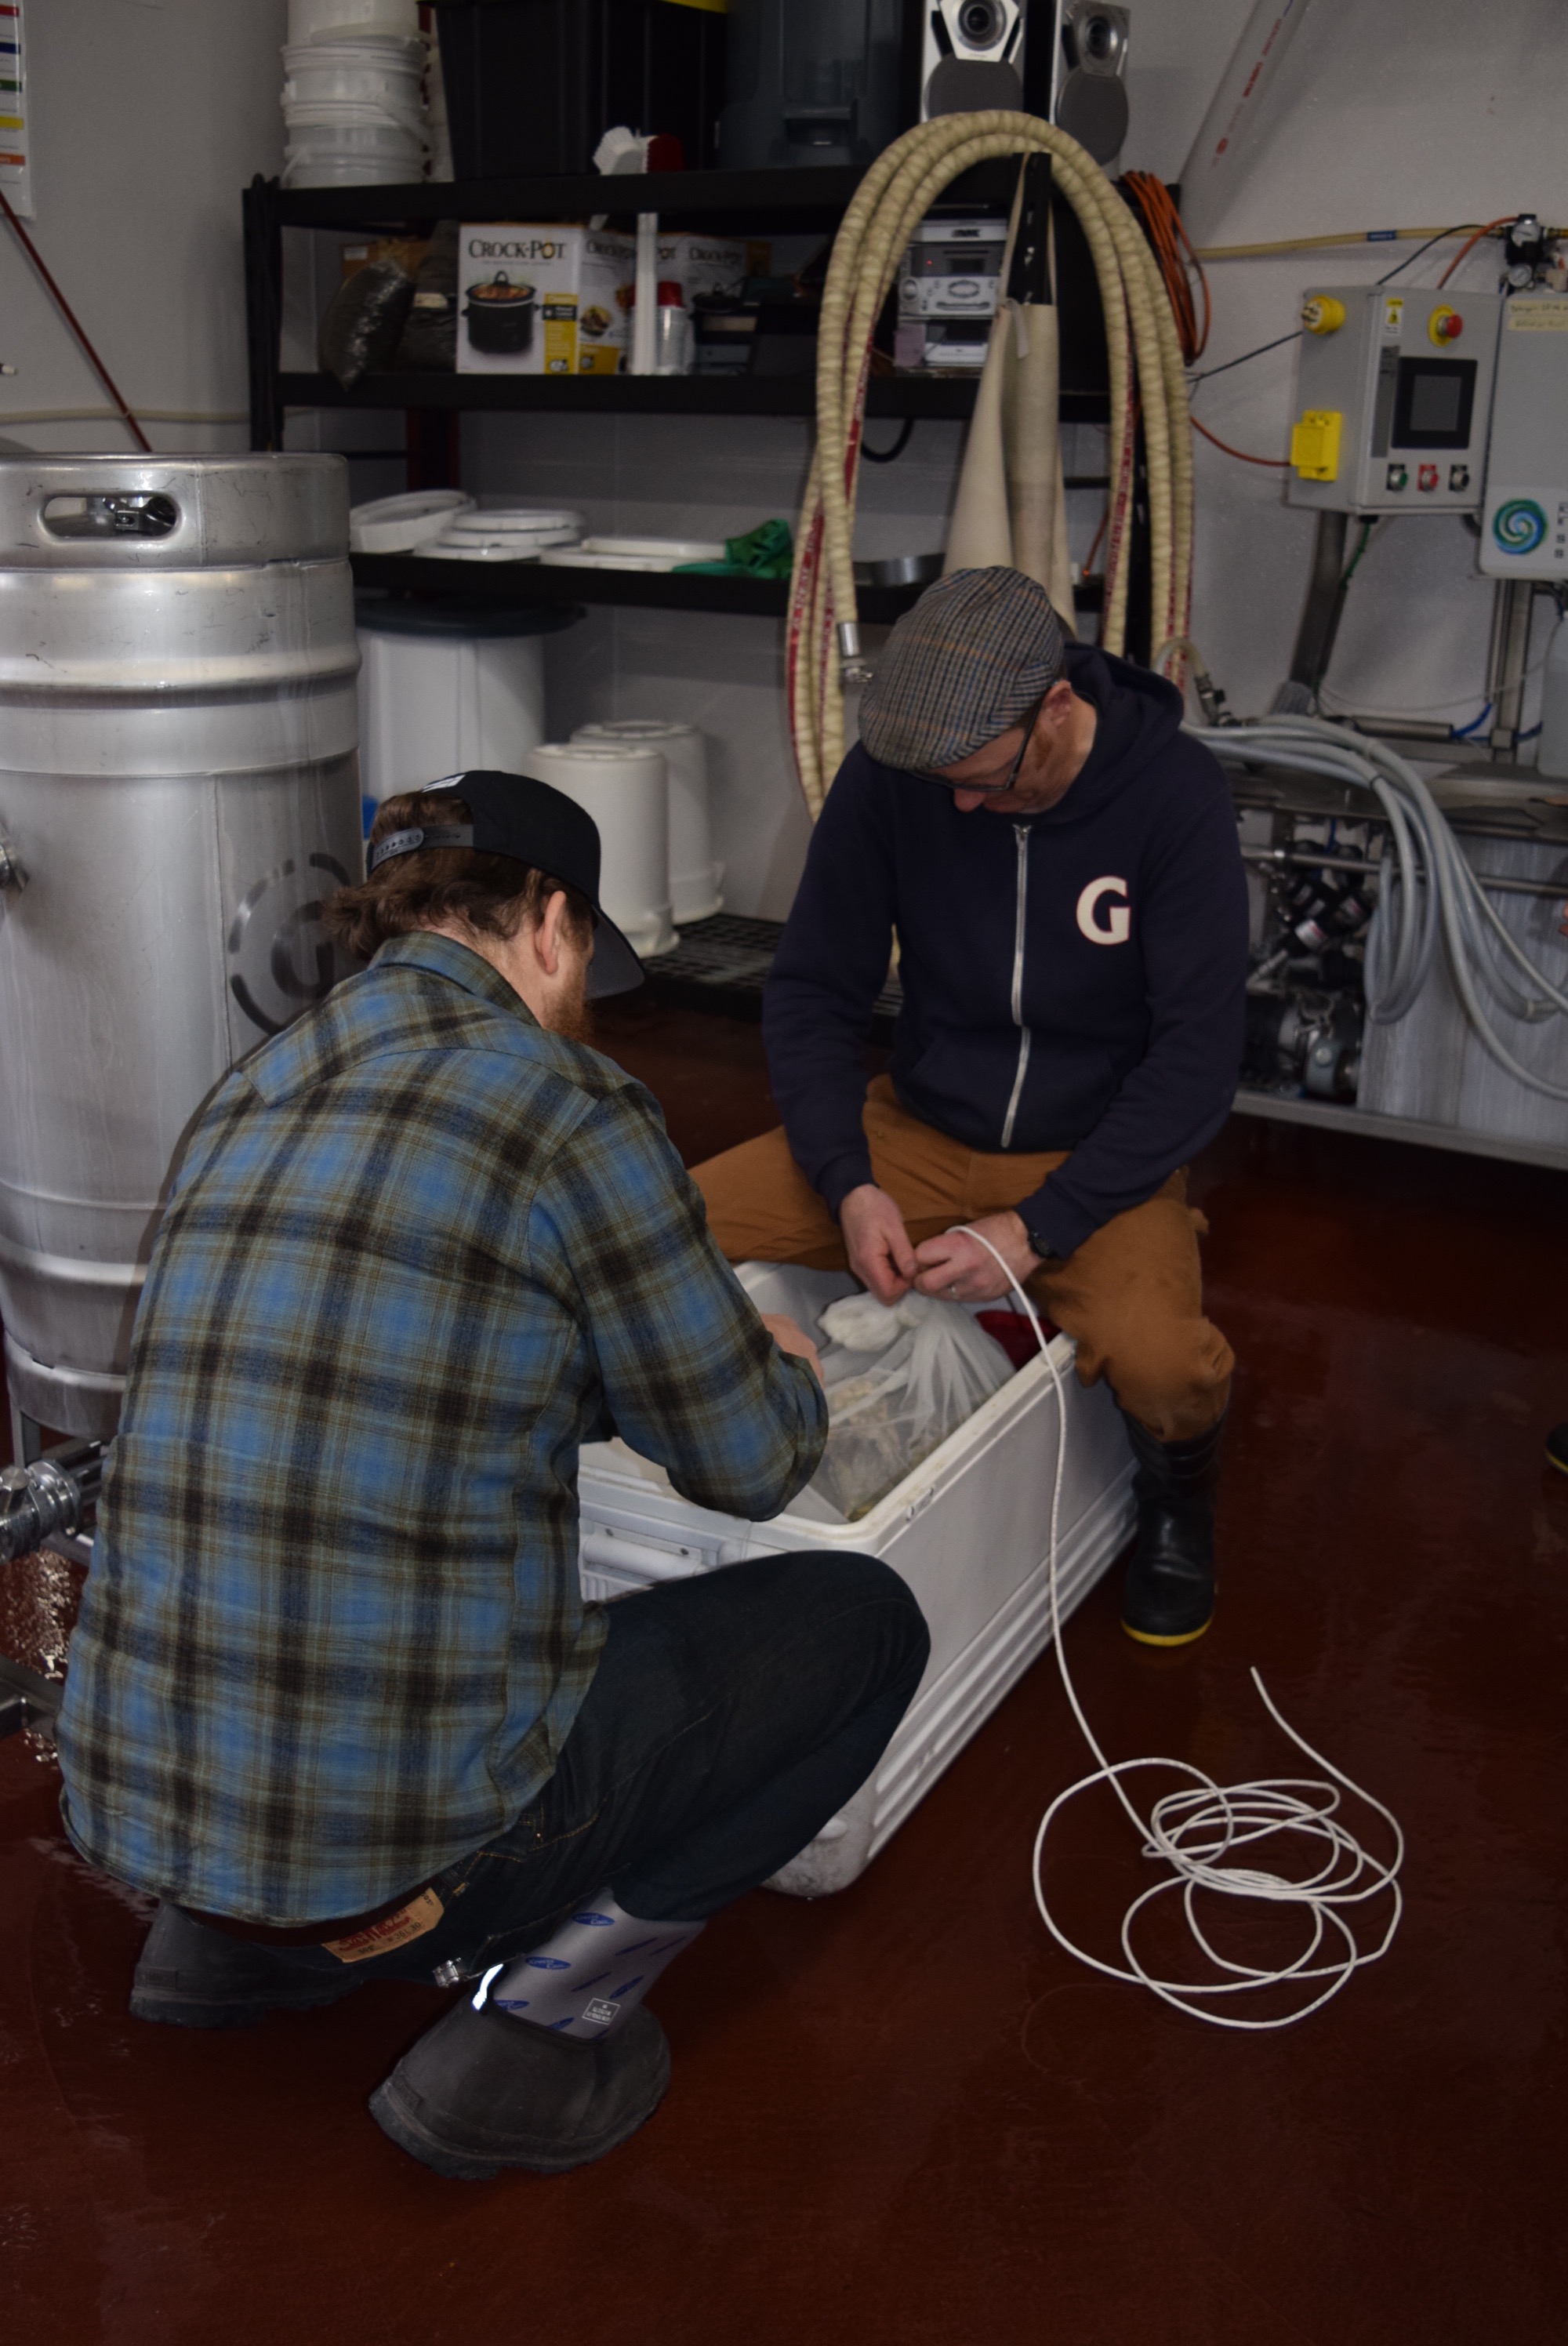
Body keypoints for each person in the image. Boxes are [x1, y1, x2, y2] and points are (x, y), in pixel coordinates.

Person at [54, 772, 928, 2182]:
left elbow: (394, 1357)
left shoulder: (253, 1087)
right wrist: (775, 1365)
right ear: (552, 925)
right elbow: (752, 1466)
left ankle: (230, 1951)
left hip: (150, 1812)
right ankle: (530, 2037)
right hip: (419, 1856)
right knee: (863, 1624)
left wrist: (619, 1360)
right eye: (583, 961)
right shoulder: (571, 1103)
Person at [695, 568, 1250, 1647]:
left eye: (985, 780)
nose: (961, 806)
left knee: (1164, 1364)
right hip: (915, 1126)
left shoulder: (1174, 797)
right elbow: (813, 990)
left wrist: (1038, 1228)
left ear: (1055, 707)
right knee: (649, 1233)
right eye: (944, 784)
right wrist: (845, 1179)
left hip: (1096, 1149)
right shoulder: (896, 780)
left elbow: (1197, 1058)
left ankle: (1176, 1504)